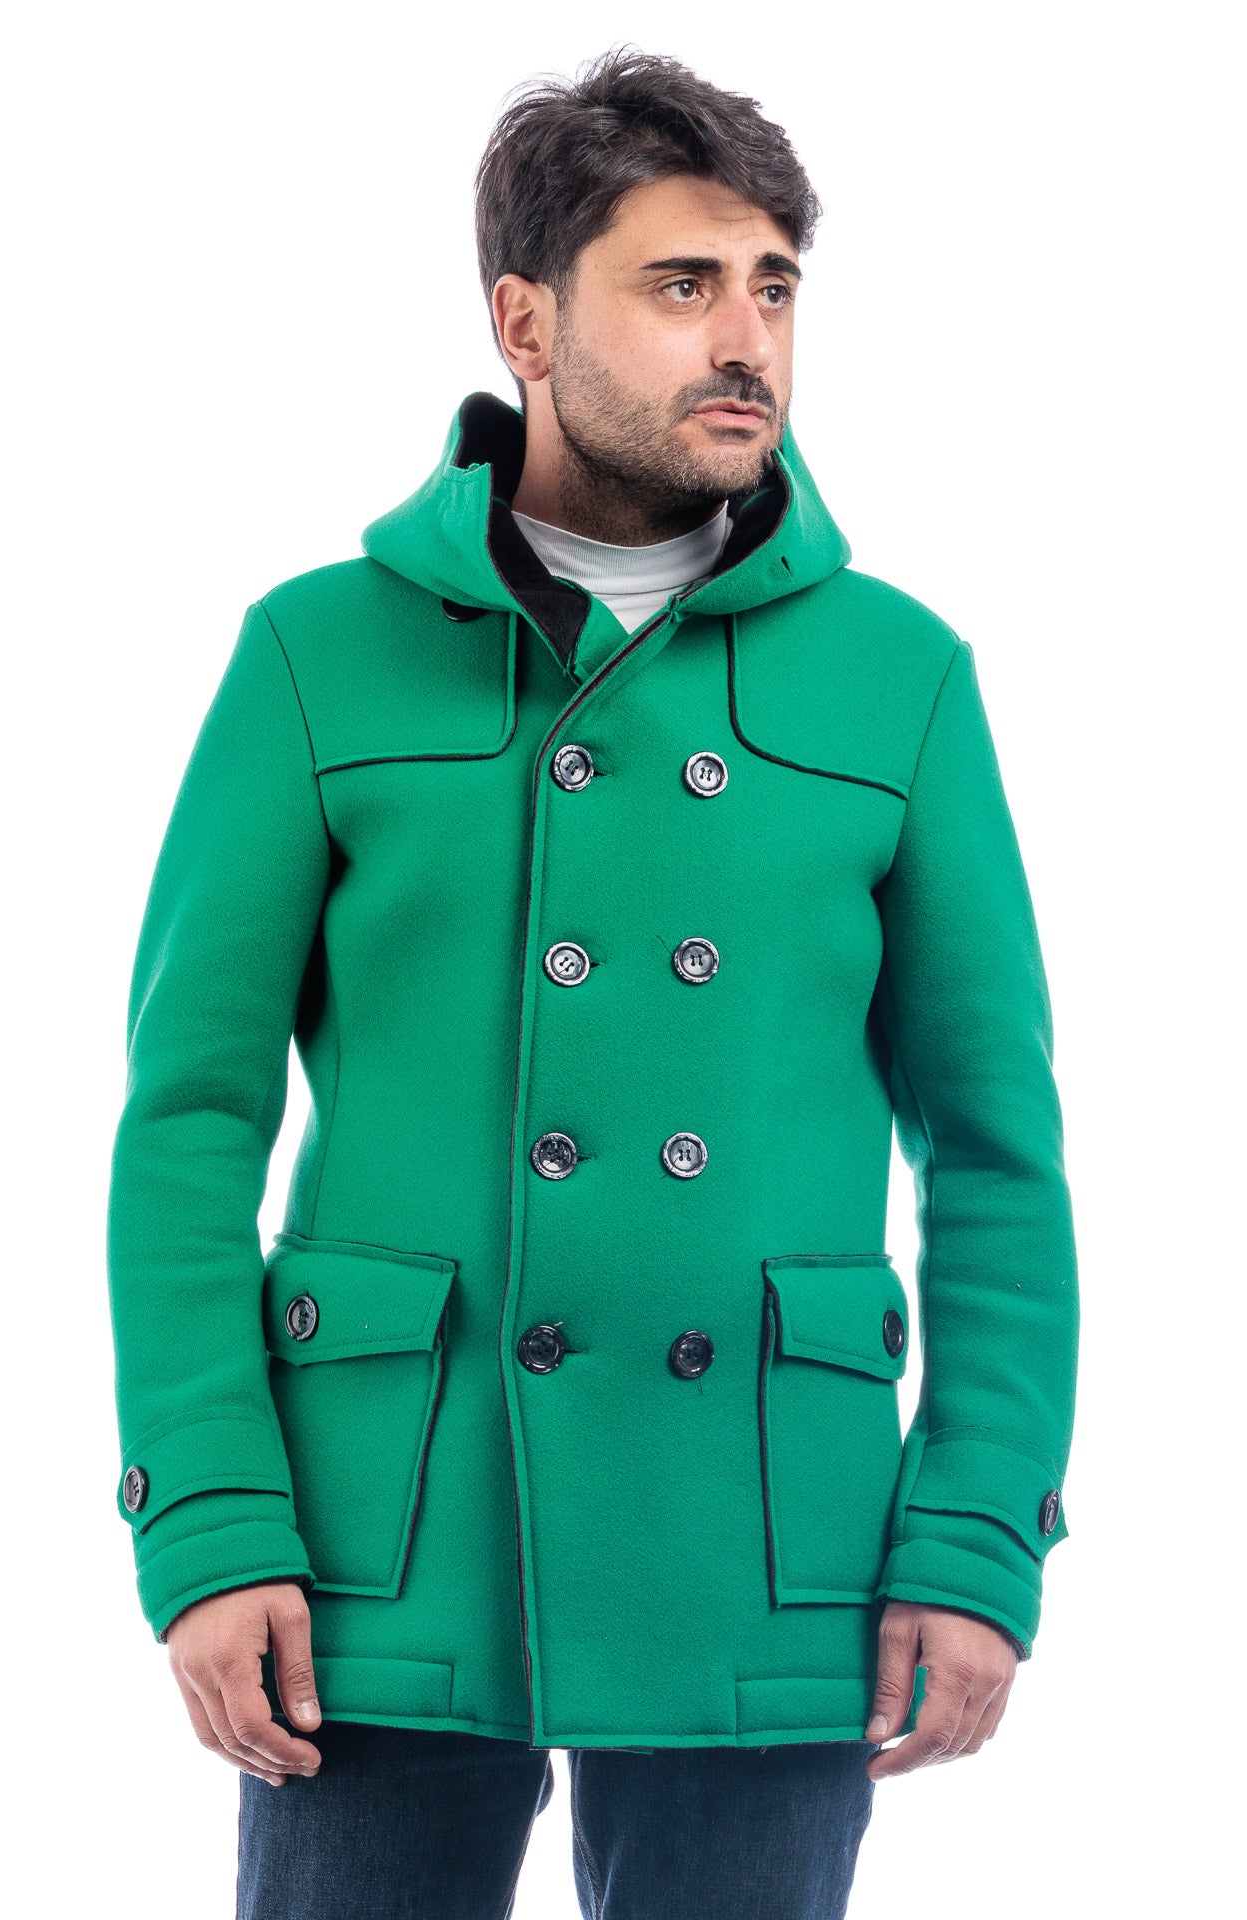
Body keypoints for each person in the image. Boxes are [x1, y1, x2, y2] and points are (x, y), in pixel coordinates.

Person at [105, 44, 1080, 1920]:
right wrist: (210, 1517)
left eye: (774, 287)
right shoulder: (317, 652)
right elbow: (189, 1121)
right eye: (682, 284)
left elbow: (995, 1148)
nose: (747, 340)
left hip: (770, 1530)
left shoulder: (902, 675)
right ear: (525, 322)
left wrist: (976, 1535)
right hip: (382, 1532)